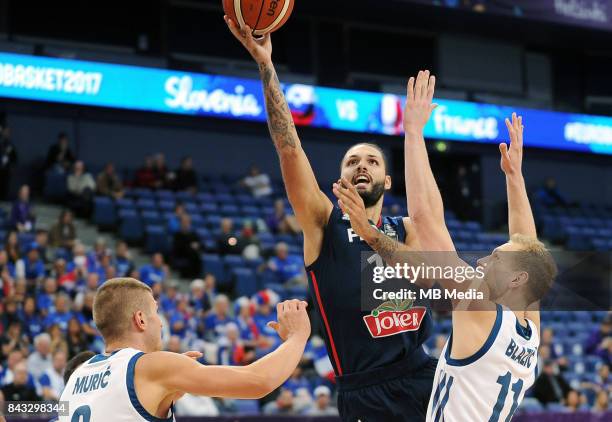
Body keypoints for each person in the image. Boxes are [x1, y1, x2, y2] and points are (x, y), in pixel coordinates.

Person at [225, 18, 435, 421]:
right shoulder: (324, 224)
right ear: (340, 179)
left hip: (423, 375)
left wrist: (371, 232)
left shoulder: (407, 228)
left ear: (387, 180)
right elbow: (289, 149)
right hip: (364, 391)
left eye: (372, 161)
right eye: (352, 161)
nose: (362, 165)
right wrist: (266, 65)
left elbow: (433, 276)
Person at [335, 74, 556, 421]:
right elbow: (526, 243)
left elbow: (425, 221)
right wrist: (515, 178)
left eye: (496, 258)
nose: (484, 259)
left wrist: (413, 134)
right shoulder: (528, 328)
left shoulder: (481, 311)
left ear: (515, 280)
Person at [58, 277, 310, 421]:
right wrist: (297, 337)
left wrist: (166, 390)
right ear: (141, 320)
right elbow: (259, 382)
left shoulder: (77, 377)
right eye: (155, 312)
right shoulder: (152, 366)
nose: (160, 321)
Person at [172, 214, 202, 279]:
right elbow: (177, 247)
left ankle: (196, 276)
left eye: (187, 222)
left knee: (197, 255)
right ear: (181, 223)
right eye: (184, 222)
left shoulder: (193, 233)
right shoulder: (178, 234)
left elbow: (199, 243)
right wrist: (189, 246)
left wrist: (197, 245)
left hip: (192, 254)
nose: (186, 223)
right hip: (181, 254)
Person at [0, 125, 17, 200]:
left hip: (6, 169)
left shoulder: (10, 145)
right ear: (2, 132)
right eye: (6, 131)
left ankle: (3, 198)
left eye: (9, 132)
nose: (7, 133)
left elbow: (14, 158)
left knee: (4, 185)